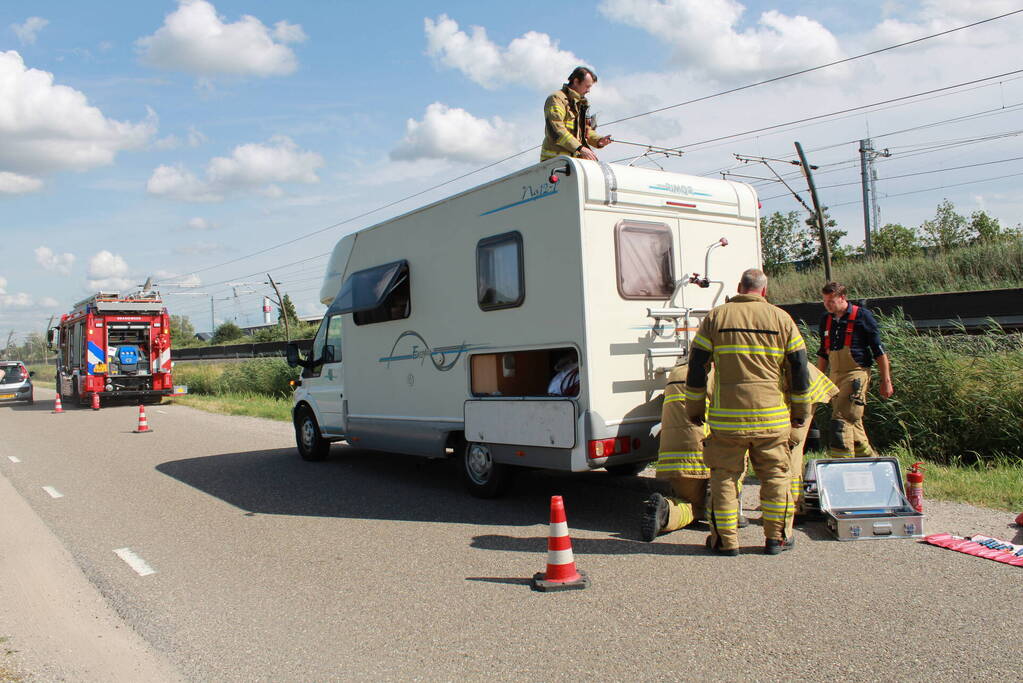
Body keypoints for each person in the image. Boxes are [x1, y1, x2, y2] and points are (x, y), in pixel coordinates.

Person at [685, 268, 812, 556]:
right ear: (764, 291)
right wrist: (800, 413)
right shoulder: (782, 319)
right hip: (772, 420)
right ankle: (776, 539)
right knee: (776, 478)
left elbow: (697, 367)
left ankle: (726, 541)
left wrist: (694, 408)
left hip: (728, 422)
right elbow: (799, 370)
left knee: (724, 479)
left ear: (739, 287)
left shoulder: (717, 317)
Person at [816, 282, 893, 458]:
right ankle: (871, 462)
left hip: (856, 374)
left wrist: (886, 381)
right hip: (834, 376)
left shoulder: (862, 316)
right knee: (854, 422)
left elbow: (879, 352)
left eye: (831, 301)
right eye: (825, 301)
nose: (827, 305)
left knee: (841, 420)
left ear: (842, 297)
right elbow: (823, 353)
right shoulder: (825, 320)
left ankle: (840, 464)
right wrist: (819, 380)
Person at [541, 66, 612, 162]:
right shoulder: (557, 99)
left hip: (573, 163)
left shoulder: (581, 104)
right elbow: (556, 130)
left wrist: (599, 140)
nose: (588, 90)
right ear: (576, 81)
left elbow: (586, 131)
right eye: (587, 86)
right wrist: (580, 148)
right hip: (554, 162)